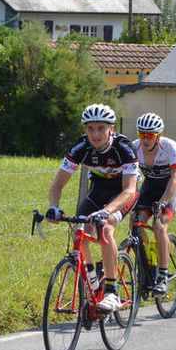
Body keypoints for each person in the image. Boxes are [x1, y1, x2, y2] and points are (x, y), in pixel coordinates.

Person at [46, 103, 139, 313]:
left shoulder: (124, 148)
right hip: (98, 191)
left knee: (105, 229)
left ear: (111, 129)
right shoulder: (81, 147)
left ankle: (111, 292)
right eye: (90, 129)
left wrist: (107, 212)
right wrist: (54, 206)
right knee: (80, 231)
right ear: (85, 130)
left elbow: (129, 190)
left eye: (101, 128)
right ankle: (92, 280)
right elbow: (57, 184)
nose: (95, 134)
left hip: (123, 194)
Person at [131, 112, 176, 295]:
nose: (145, 139)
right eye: (142, 134)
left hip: (171, 188)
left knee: (159, 224)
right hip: (150, 186)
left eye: (150, 135)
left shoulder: (169, 147)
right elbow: (128, 176)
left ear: (158, 135)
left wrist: (163, 203)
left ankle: (163, 275)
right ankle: (147, 259)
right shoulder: (134, 147)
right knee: (136, 222)